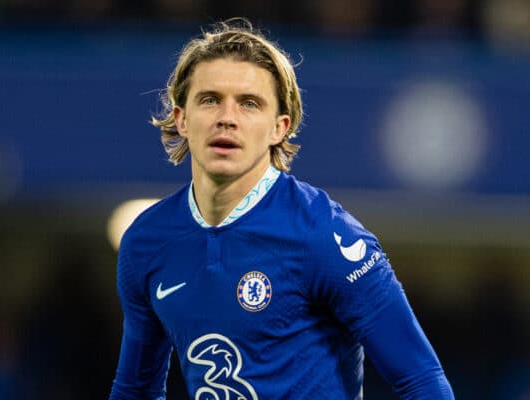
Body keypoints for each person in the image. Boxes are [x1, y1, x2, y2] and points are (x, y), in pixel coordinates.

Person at [109, 18, 455, 400]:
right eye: (210, 100)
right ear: (182, 119)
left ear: (279, 128)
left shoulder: (324, 234)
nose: (227, 118)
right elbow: (135, 389)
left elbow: (422, 380)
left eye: (249, 104)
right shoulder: (146, 242)